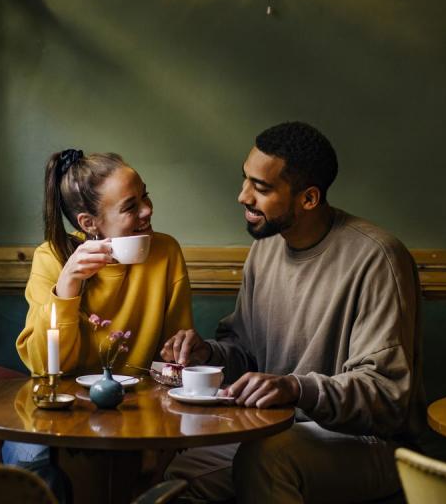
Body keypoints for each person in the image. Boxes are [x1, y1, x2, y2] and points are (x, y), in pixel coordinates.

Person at [161, 122, 425, 504]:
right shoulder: (266, 246)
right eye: (245, 180)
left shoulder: (377, 258)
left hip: (373, 444)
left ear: (309, 198)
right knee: (181, 475)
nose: (242, 196)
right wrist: (207, 355)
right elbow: (245, 352)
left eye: (261, 188)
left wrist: (297, 388)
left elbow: (386, 395)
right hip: (277, 430)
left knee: (268, 459)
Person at [6, 149, 194, 497]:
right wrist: (67, 286)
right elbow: (43, 365)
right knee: (34, 470)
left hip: (137, 412)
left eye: (145, 196)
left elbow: (173, 364)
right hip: (56, 413)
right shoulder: (51, 257)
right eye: (130, 207)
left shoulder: (165, 252)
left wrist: (184, 351)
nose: (148, 210)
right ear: (89, 223)